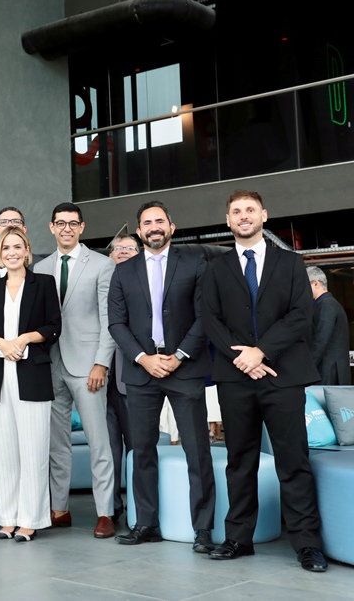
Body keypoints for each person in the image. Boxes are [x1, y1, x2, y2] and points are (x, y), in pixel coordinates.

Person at [202, 190, 328, 572]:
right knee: (240, 462)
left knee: (293, 461)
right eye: (236, 211)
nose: (243, 216)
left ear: (264, 216)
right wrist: (242, 358)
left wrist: (261, 351)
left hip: (284, 376)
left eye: (250, 210)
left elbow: (301, 315)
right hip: (235, 378)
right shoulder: (216, 267)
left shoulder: (291, 263)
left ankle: (307, 544)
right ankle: (238, 539)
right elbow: (210, 319)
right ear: (228, 220)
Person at [107, 202, 215, 552]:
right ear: (139, 231)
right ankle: (146, 523)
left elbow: (206, 316)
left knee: (197, 451)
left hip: (185, 368)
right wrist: (144, 358)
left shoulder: (195, 263)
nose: (154, 227)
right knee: (141, 451)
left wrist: (179, 355)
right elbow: (116, 323)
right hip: (142, 372)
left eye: (159, 221)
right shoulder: (123, 271)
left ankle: (203, 529)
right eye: (147, 223)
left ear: (171, 226)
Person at [33, 203, 117, 538]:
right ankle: (59, 509)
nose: (66, 228)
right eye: (60, 223)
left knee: (99, 442)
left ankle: (105, 512)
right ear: (51, 227)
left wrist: (102, 362)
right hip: (51, 364)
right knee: (57, 445)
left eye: (72, 223)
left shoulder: (101, 264)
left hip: (88, 366)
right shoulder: (40, 267)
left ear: (81, 227)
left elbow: (109, 319)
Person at [0, 227, 61, 541]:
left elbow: (54, 326)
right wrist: (2, 342)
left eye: (17, 247)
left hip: (32, 376)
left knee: (33, 451)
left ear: (27, 250)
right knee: (3, 453)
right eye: (6, 247)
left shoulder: (44, 283)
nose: (12, 253)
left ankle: (31, 519)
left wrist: (24, 338)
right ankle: (8, 517)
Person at [106, 232, 138, 523]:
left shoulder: (144, 283)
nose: (124, 251)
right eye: (119, 248)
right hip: (100, 379)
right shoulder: (101, 282)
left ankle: (140, 510)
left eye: (130, 248)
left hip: (134, 376)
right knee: (108, 450)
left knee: (137, 448)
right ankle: (111, 507)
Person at [308, 266, 351, 386]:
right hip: (330, 373)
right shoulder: (328, 304)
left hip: (329, 374)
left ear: (316, 283)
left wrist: (307, 369)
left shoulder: (327, 305)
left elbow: (320, 341)